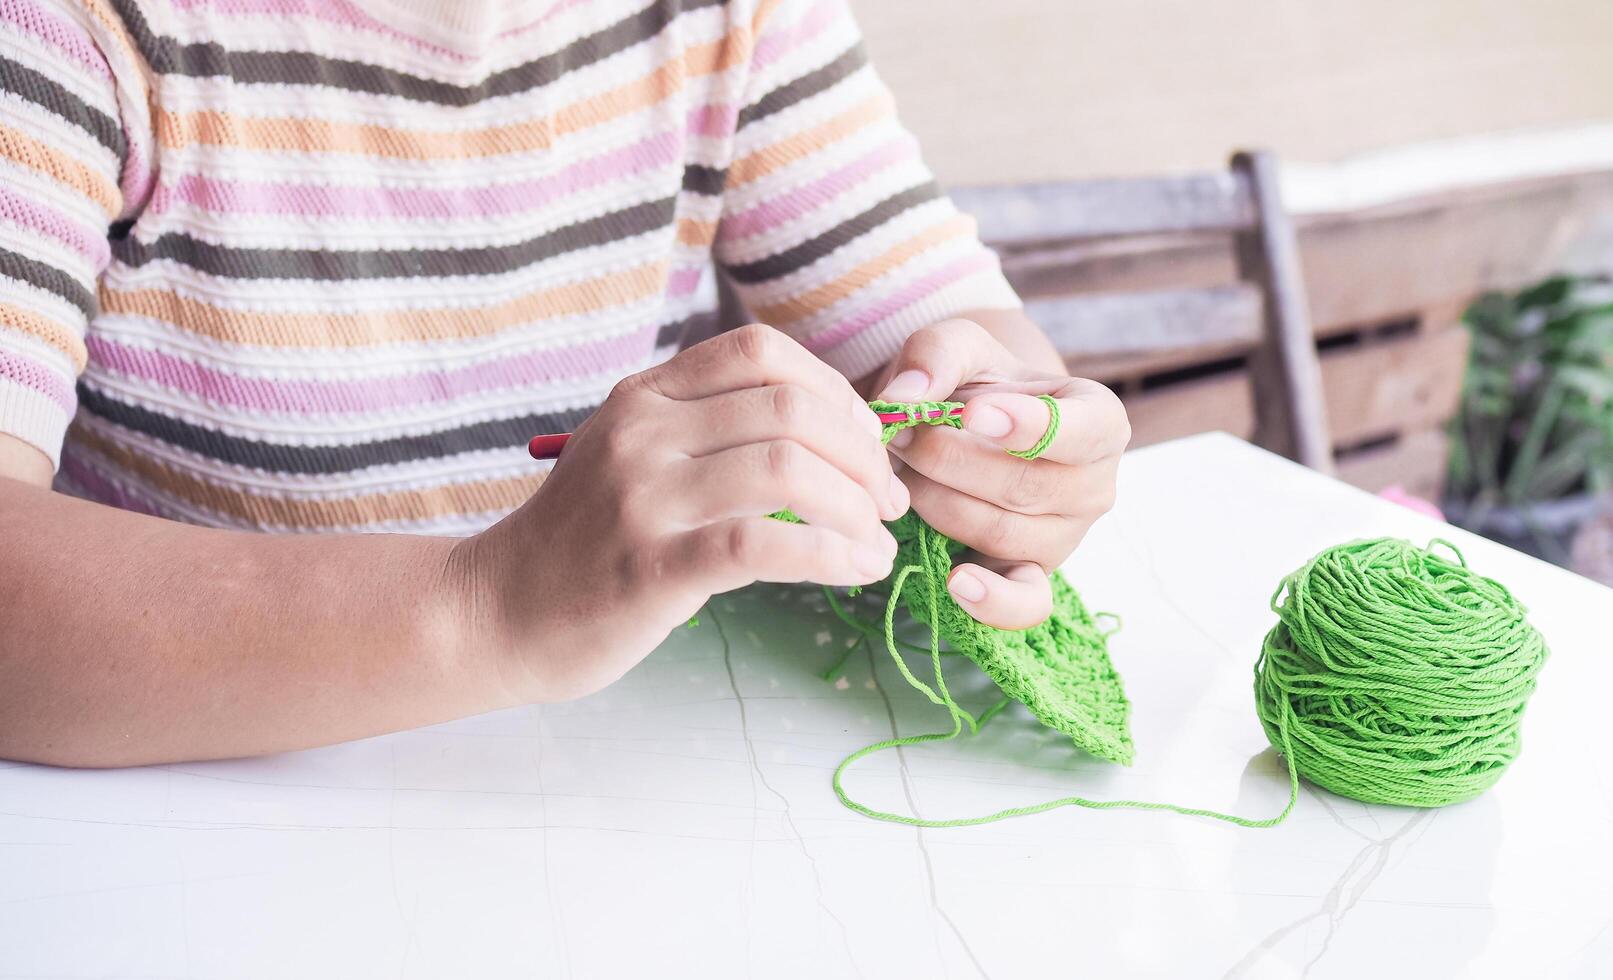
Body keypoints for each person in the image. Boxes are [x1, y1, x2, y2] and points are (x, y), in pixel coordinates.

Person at [0, 0, 1129, 766]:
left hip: (605, 806)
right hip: (209, 819)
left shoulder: (722, 16)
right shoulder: (74, 29)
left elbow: (941, 336)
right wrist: (488, 604)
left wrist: (1006, 444)